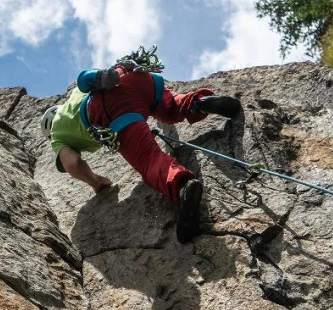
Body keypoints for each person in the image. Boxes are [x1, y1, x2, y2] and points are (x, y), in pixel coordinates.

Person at [40, 56, 241, 243]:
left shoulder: (56, 135)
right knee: (171, 107)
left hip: (109, 106)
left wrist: (96, 183)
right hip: (131, 77)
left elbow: (72, 163)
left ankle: (183, 186)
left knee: (148, 160)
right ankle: (199, 103)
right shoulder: (73, 97)